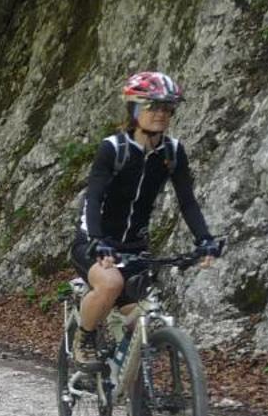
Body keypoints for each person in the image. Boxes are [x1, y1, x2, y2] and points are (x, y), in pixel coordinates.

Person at [69, 71, 223, 365]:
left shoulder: (173, 152)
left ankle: (139, 401)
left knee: (146, 323)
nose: (161, 114)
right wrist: (98, 241)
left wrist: (205, 239)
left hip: (135, 247)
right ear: (134, 109)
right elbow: (94, 197)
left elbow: (187, 201)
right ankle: (84, 338)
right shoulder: (113, 149)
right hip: (94, 240)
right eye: (153, 106)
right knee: (111, 284)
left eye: (167, 108)